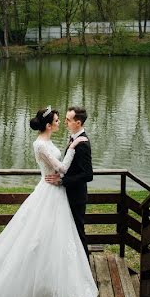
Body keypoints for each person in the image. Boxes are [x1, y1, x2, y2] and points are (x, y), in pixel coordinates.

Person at [0, 106, 98, 297]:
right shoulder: (41, 145)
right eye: (59, 120)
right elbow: (62, 168)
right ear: (48, 125)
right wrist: (73, 147)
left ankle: (65, 275)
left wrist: (73, 150)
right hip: (50, 191)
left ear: (78, 122)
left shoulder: (52, 141)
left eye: (65, 119)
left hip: (60, 191)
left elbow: (77, 172)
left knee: (62, 235)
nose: (62, 122)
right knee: (42, 236)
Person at [45, 106, 93, 257]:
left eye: (68, 120)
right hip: (70, 194)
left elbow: (88, 175)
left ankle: (85, 266)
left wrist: (62, 181)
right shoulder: (74, 138)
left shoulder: (83, 144)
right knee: (69, 231)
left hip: (76, 197)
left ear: (78, 123)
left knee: (78, 232)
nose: (65, 122)